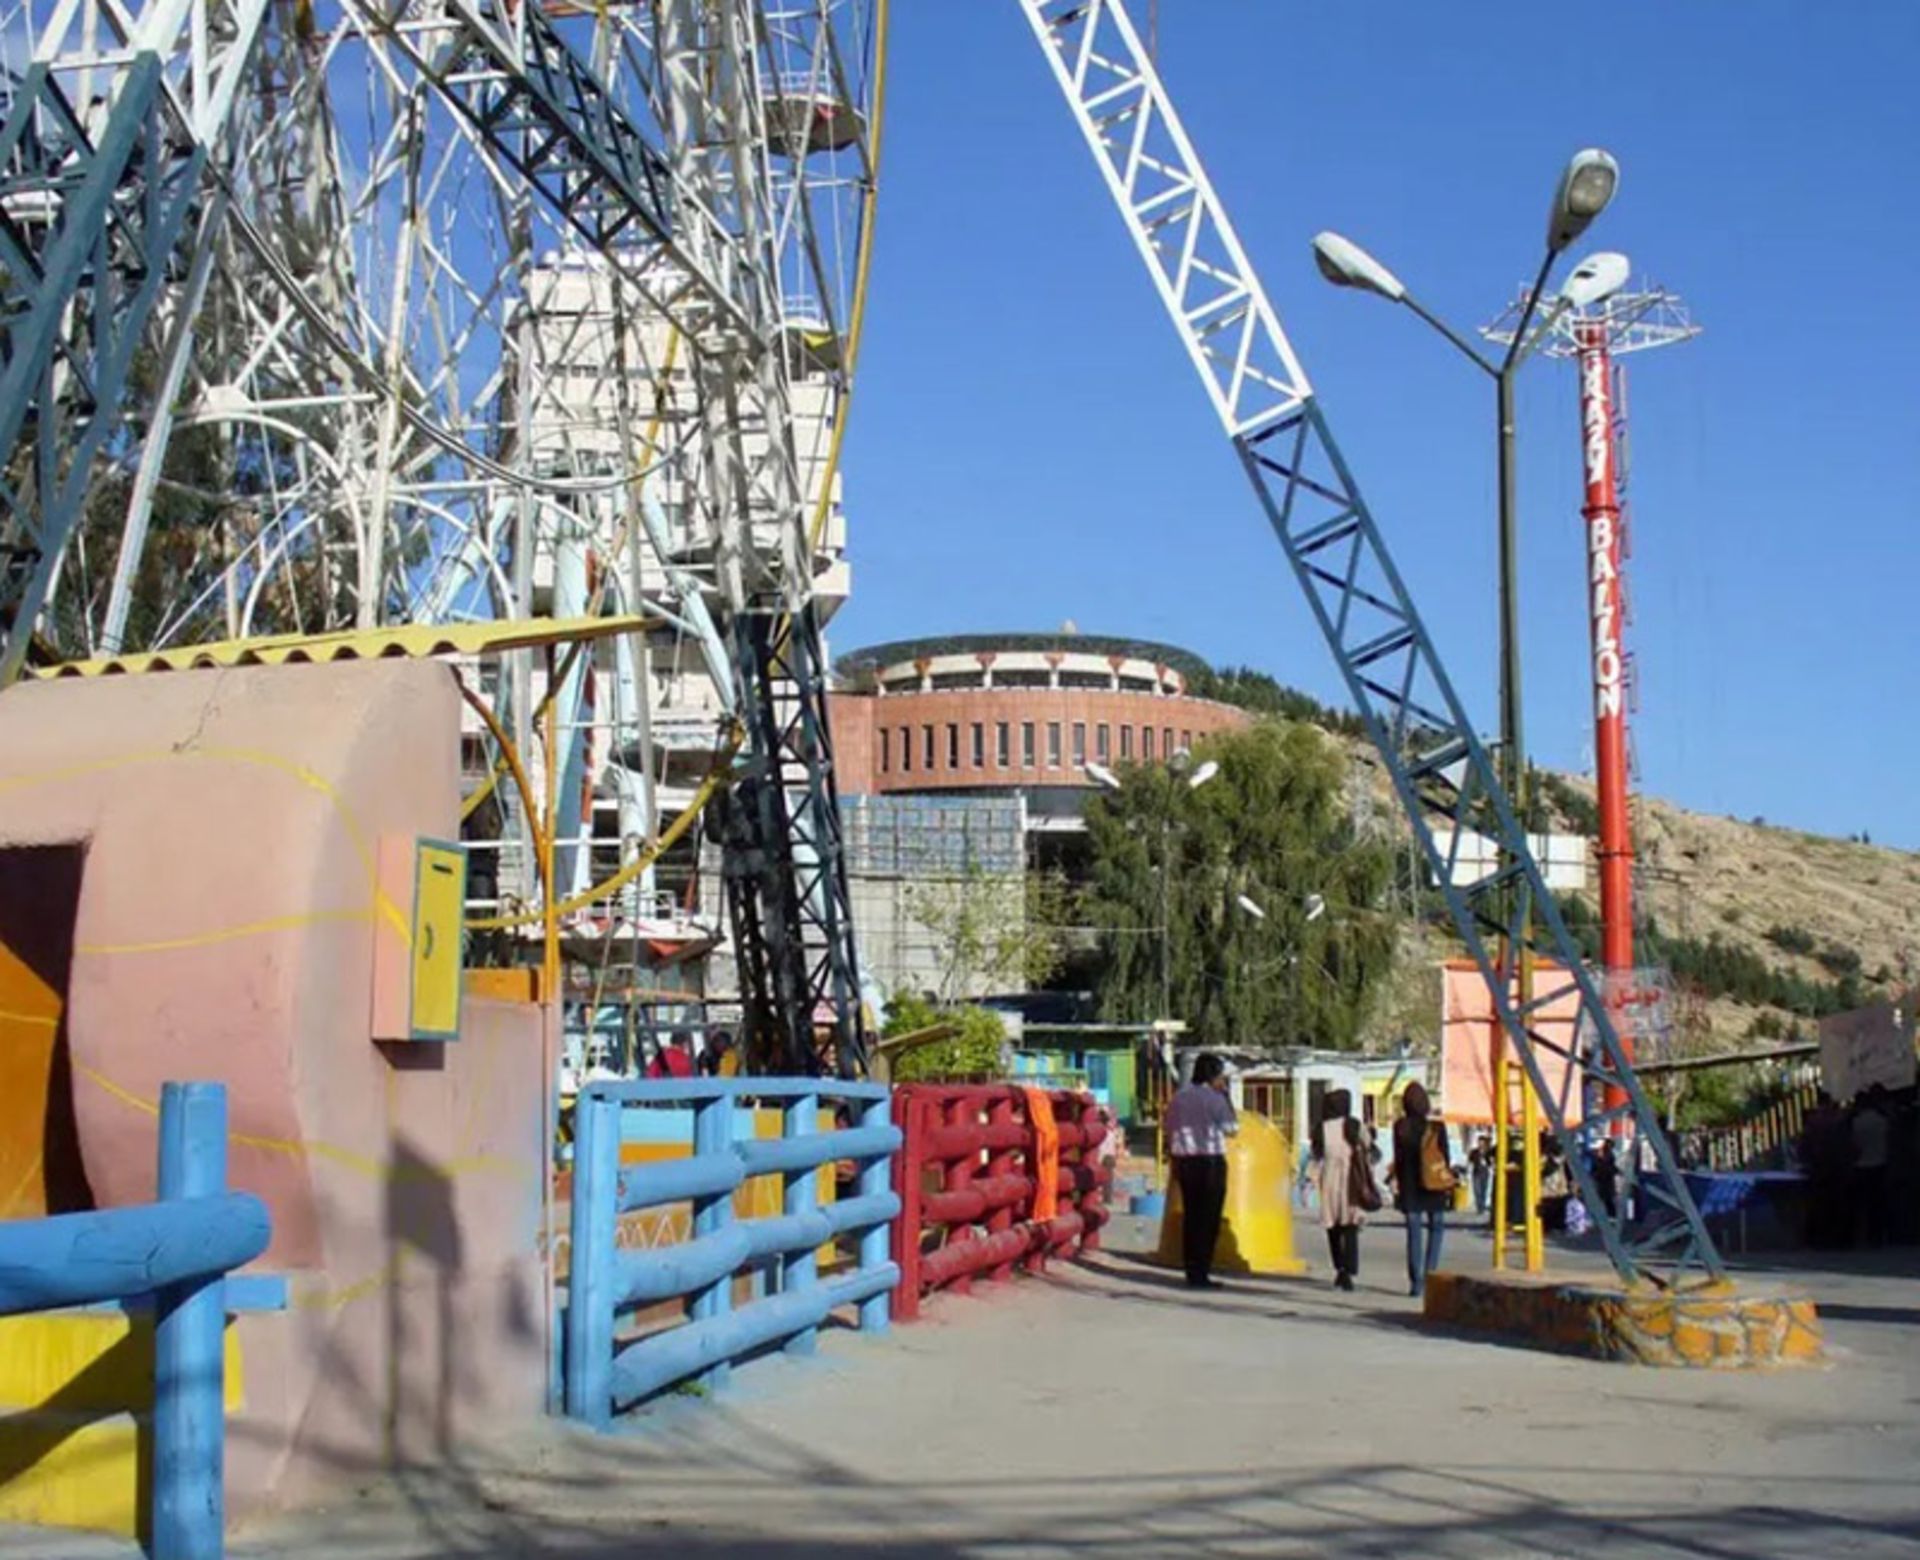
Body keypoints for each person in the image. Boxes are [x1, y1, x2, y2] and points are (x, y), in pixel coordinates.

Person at [1165, 1052, 1239, 1289]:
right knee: (1209, 1219)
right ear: (1214, 1076)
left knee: (1192, 1217)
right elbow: (1231, 1128)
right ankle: (1202, 1271)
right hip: (1210, 1162)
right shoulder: (1215, 1098)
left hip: (1185, 1161)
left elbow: (1170, 1128)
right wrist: (1227, 1097)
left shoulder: (1179, 1098)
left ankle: (1191, 1270)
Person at [1390, 1082, 1453, 1298]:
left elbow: (1398, 1158)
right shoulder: (1436, 1127)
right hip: (1433, 1185)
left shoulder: (1400, 1127)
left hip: (1410, 1185)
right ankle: (1431, 1274)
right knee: (1436, 1228)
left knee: (1413, 1232)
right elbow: (1445, 1158)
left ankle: (1416, 1282)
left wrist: (1397, 1182)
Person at [1312, 1088, 1369, 1291]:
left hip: (1329, 1180)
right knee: (1350, 1225)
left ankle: (1339, 1268)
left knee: (1333, 1226)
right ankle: (1350, 1268)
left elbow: (1316, 1155)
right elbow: (1367, 1145)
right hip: (1351, 1179)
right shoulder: (1353, 1125)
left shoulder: (1321, 1128)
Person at [1851, 1086, 1892, 1249]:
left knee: (1863, 1203)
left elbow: (1855, 1144)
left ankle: (1864, 1235)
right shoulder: (1882, 1121)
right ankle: (1878, 1235)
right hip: (1880, 1164)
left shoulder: (1856, 1122)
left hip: (1861, 1165)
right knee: (1878, 1202)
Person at [1590, 1138, 1620, 1219]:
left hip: (1606, 1179)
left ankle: (1611, 1216)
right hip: (1601, 1179)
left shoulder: (1609, 1155)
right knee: (1605, 1199)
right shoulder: (1598, 1154)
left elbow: (1610, 1166)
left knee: (1608, 1199)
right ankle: (1609, 1215)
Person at [1468, 1133, 1494, 1219]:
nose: (1480, 1144)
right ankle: (1479, 1207)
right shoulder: (1474, 1152)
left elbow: (1491, 1162)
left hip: (1484, 1172)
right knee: (1477, 1190)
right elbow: (1470, 1161)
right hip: (1476, 1172)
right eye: (1479, 1142)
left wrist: (1488, 1163)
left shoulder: (1488, 1152)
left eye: (1482, 1142)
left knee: (1483, 1190)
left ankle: (1482, 1206)